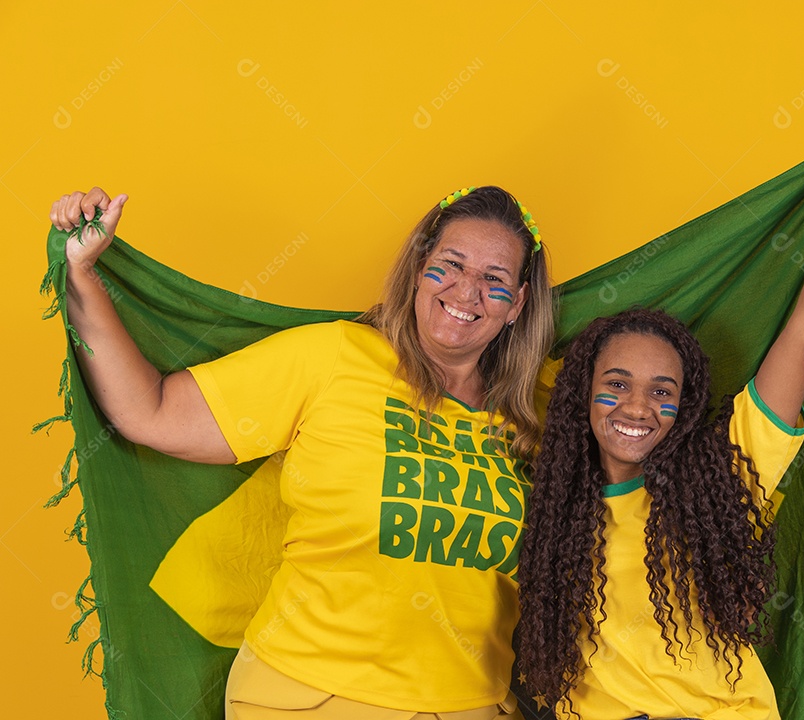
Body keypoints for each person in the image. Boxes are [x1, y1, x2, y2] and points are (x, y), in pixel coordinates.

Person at [49, 185, 555, 718]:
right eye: (450, 264)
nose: (466, 290)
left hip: (471, 705)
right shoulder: (333, 357)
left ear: (517, 303)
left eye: (494, 279)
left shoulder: (538, 419)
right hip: (307, 698)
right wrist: (82, 272)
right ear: (418, 268)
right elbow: (149, 412)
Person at [515, 111, 804, 720]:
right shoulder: (552, 499)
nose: (638, 407)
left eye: (662, 391)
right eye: (615, 384)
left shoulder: (726, 474)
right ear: (579, 395)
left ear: (686, 405)